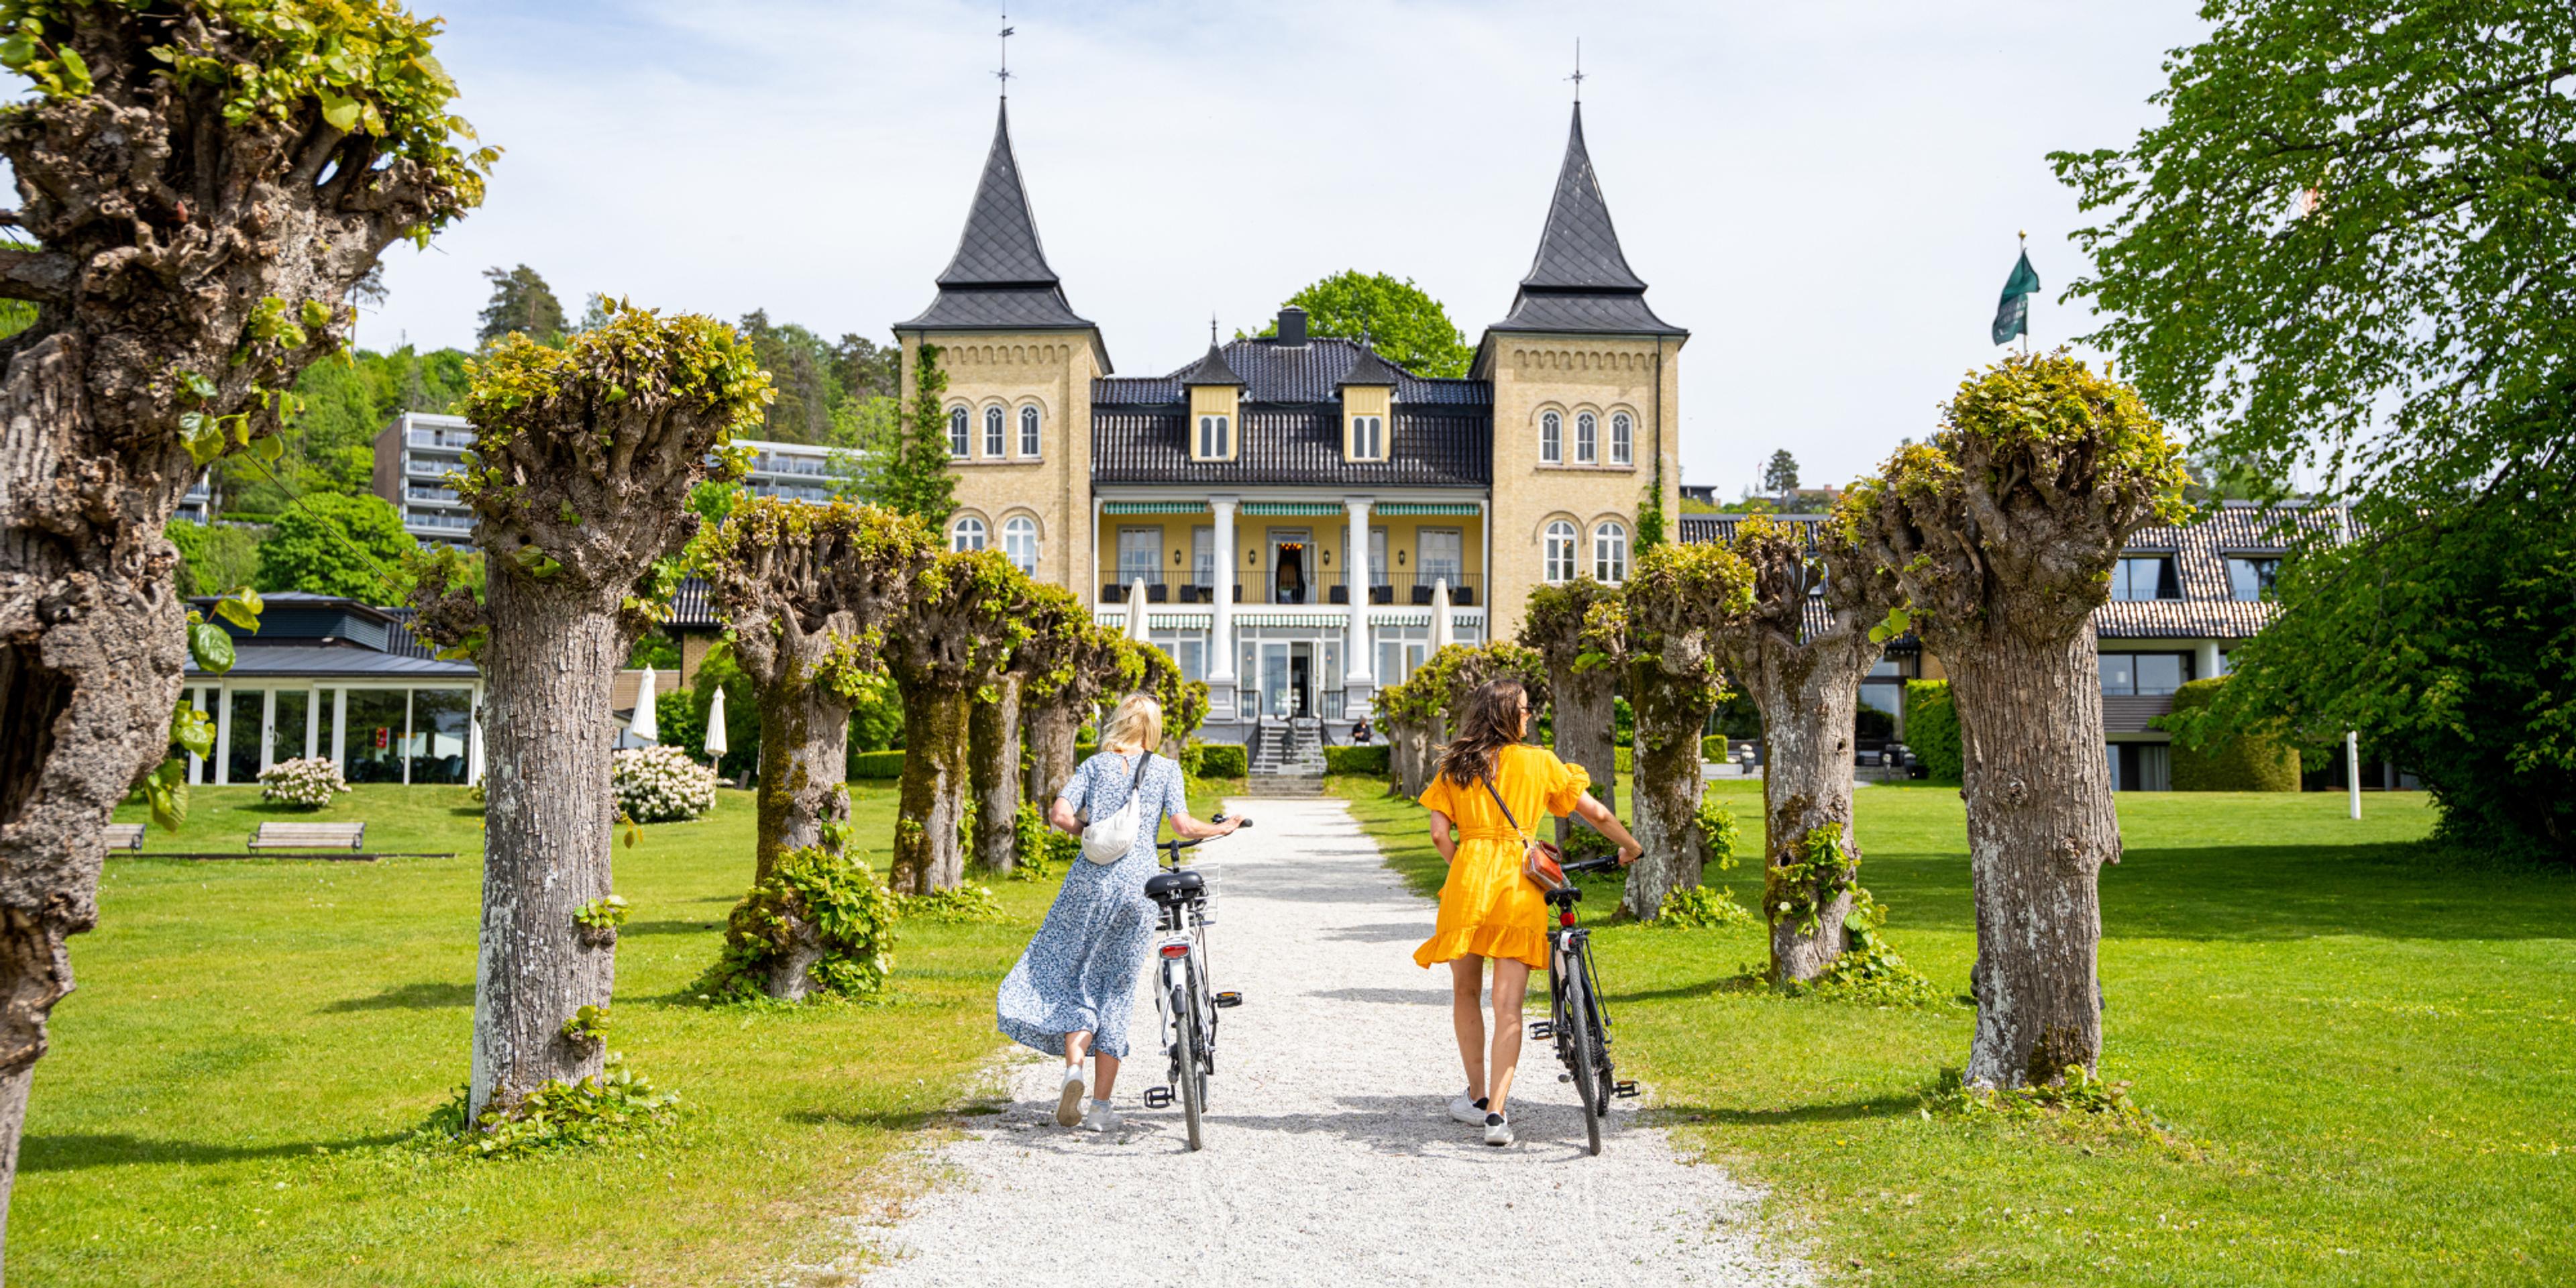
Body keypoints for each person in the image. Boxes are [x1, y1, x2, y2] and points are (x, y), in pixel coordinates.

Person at [996, 692, 1242, 1133]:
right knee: (1117, 990)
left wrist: (1092, 833)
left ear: (1119, 722)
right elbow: (1184, 827)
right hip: (1138, 886)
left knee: (1078, 979)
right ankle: (1100, 1110)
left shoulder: (1093, 766)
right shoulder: (1165, 769)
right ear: (1153, 727)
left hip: (1087, 884)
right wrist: (1223, 827)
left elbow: (1059, 814)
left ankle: (1074, 1069)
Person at [1412, 679, 1641, 1146]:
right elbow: (1594, 813)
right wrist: (1630, 846)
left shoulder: (1455, 765)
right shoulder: (1539, 762)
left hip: (1468, 884)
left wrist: (1466, 872)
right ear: (1509, 715)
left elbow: (1440, 835)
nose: (1528, 716)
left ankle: (1475, 1098)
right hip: (1519, 883)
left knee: (1465, 992)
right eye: (1524, 709)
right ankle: (1498, 1113)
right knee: (1509, 1006)